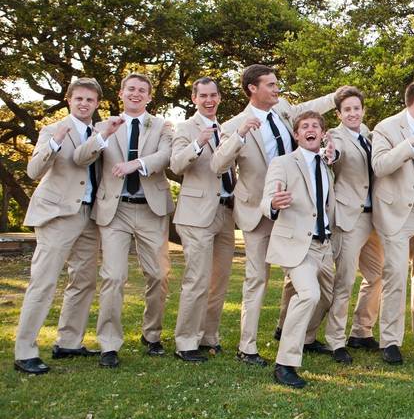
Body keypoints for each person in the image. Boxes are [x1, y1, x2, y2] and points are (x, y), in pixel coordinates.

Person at [212, 65, 335, 367]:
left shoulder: (282, 110)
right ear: (252, 88)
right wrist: (239, 136)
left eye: (277, 83)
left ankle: (290, 330)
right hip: (258, 211)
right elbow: (217, 164)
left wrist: (337, 95)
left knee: (300, 278)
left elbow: (309, 109)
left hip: (294, 212)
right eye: (271, 84)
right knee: (257, 280)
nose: (277, 89)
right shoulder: (234, 124)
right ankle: (247, 347)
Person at [14, 78, 109, 375]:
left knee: (84, 281)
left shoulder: (100, 132)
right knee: (44, 281)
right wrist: (56, 142)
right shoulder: (52, 130)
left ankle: (68, 342)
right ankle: (25, 350)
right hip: (57, 216)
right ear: (69, 100)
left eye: (90, 100)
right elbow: (33, 171)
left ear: (97, 104)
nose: (84, 104)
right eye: (79, 98)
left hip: (89, 216)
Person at [84, 72, 175, 368]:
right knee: (113, 276)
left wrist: (137, 164)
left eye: (142, 90)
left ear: (149, 97)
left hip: (151, 209)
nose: (136, 94)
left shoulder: (162, 125)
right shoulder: (103, 126)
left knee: (159, 276)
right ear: (121, 93)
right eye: (131, 89)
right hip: (115, 210)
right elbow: (83, 158)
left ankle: (152, 335)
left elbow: (166, 156)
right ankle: (109, 344)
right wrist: (103, 136)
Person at [260, 111, 337, 389]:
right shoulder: (283, 163)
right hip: (296, 245)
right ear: (296, 135)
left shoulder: (327, 165)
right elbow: (267, 197)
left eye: (315, 126)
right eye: (304, 126)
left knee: (328, 298)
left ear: (322, 133)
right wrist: (273, 203)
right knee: (309, 294)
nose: (310, 129)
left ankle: (300, 335)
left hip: (324, 245)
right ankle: (285, 364)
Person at [370, 80, 414, 365]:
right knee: (396, 275)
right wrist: (408, 144)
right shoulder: (386, 128)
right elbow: (380, 166)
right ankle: (390, 340)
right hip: (395, 212)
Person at [169, 77, 237, 363]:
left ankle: (209, 335)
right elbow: (175, 165)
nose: (209, 100)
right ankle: (186, 341)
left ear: (219, 98)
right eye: (203, 96)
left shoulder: (226, 129)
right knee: (196, 279)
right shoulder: (185, 128)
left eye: (214, 95)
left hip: (226, 212)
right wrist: (198, 143)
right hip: (196, 215)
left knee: (219, 280)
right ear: (194, 98)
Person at [323, 86, 385, 364]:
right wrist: (331, 155)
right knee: (344, 280)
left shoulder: (370, 135)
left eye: (356, 108)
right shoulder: (334, 137)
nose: (352, 113)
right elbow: (333, 158)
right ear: (339, 113)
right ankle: (336, 341)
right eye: (346, 109)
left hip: (376, 216)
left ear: (362, 110)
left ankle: (361, 330)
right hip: (350, 217)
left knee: (377, 275)